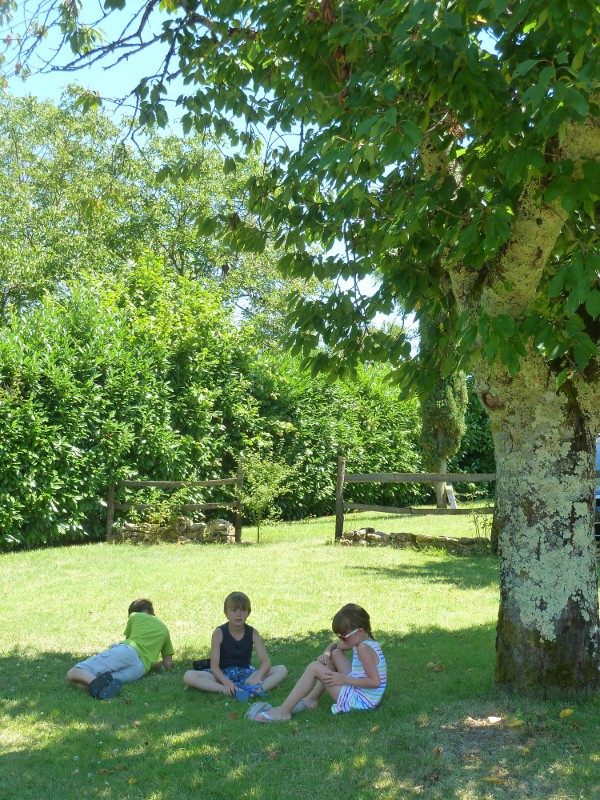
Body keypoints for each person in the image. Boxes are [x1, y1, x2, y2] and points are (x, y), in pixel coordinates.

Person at [253, 603, 386, 722]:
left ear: (360, 631)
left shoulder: (363, 649)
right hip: (362, 693)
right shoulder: (364, 642)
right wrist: (327, 652)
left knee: (314, 667)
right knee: (336, 654)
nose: (341, 639)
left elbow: (375, 682)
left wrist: (344, 680)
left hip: (361, 702)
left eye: (344, 637)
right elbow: (337, 647)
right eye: (339, 636)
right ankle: (312, 699)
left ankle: (283, 712)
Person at [183, 591, 287, 695]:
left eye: (243, 610)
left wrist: (257, 676)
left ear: (248, 613)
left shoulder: (253, 633)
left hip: (246, 674)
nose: (238, 614)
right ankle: (228, 690)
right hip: (222, 674)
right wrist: (226, 682)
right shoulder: (219, 633)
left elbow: (266, 662)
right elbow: (214, 667)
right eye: (234, 610)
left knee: (282, 669)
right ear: (226, 613)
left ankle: (257, 690)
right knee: (189, 676)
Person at [66, 598, 174, 699]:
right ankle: (102, 689)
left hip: (129, 650)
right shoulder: (165, 630)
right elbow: (168, 664)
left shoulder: (135, 616)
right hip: (139, 670)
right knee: (78, 683)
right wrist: (150, 664)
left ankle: (99, 684)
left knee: (74, 672)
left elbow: (129, 639)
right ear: (152, 612)